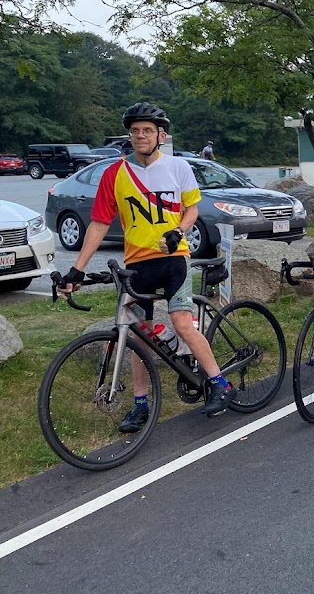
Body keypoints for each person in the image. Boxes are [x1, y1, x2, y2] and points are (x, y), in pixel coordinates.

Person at [59, 102, 236, 430]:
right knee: (137, 335)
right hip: (138, 263)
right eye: (135, 131)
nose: (140, 136)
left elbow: (192, 210)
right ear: (130, 135)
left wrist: (178, 231)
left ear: (160, 135)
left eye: (147, 131)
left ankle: (220, 384)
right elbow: (98, 224)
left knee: (182, 323)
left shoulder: (178, 167)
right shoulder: (114, 174)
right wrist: (77, 268)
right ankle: (141, 405)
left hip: (175, 259)